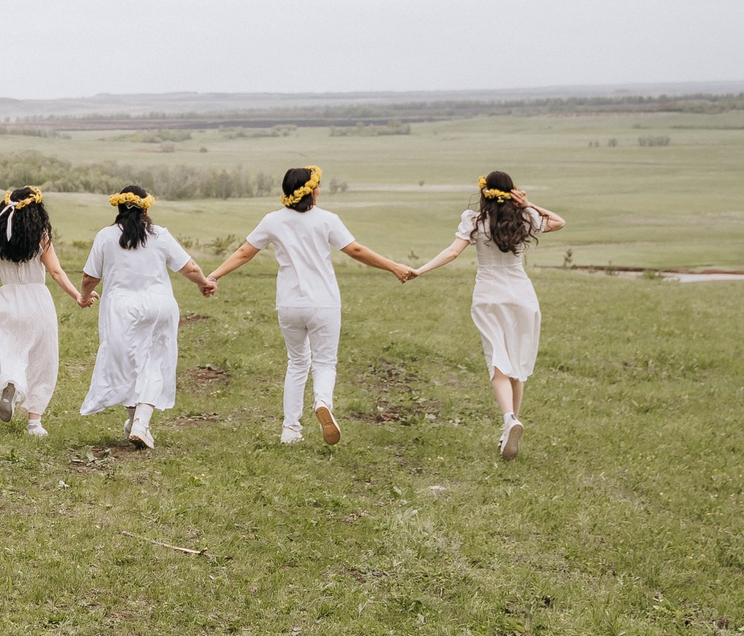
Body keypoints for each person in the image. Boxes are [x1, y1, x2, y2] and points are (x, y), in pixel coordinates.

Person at [205, 166, 416, 445]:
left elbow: (245, 252)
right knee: (325, 362)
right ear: (313, 190)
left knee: (297, 363)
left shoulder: (272, 220)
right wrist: (393, 266)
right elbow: (355, 250)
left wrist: (214, 276)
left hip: (289, 305)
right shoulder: (327, 220)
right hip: (323, 303)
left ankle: (290, 429)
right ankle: (322, 402)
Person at [409, 170, 565, 459]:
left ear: (484, 193)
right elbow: (558, 222)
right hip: (521, 295)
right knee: (515, 362)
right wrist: (528, 204)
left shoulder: (475, 220)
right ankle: (511, 424)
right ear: (512, 193)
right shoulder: (525, 218)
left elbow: (452, 252)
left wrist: (420, 269)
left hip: (489, 295)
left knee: (497, 361)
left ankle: (509, 421)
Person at [77, 185, 214, 449]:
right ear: (146, 208)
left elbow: (89, 277)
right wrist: (203, 283)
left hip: (121, 309)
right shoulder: (159, 234)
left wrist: (84, 296)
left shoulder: (105, 237)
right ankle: (138, 422)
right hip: (160, 306)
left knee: (129, 363)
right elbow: (190, 267)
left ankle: (138, 421)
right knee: (155, 362)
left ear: (118, 207)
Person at [0, 185, 84, 437]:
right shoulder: (41, 237)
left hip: (7, 300)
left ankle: (10, 386)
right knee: (42, 359)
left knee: (10, 352)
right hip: (37, 301)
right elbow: (56, 272)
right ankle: (34, 423)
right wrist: (78, 296)